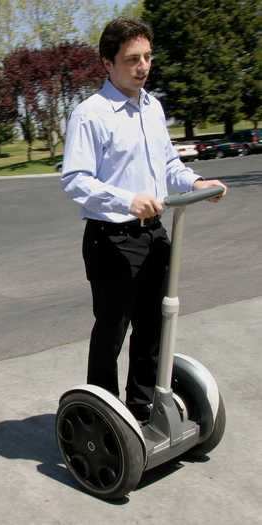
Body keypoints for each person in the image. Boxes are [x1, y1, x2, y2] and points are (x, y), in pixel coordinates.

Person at [61, 18, 227, 421]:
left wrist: (196, 180)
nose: (143, 66)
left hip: (153, 234)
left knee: (154, 325)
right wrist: (126, 200)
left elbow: (169, 163)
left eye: (148, 57)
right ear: (107, 63)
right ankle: (101, 417)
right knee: (112, 331)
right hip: (111, 239)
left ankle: (141, 405)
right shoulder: (91, 114)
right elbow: (75, 180)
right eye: (132, 59)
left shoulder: (152, 107)